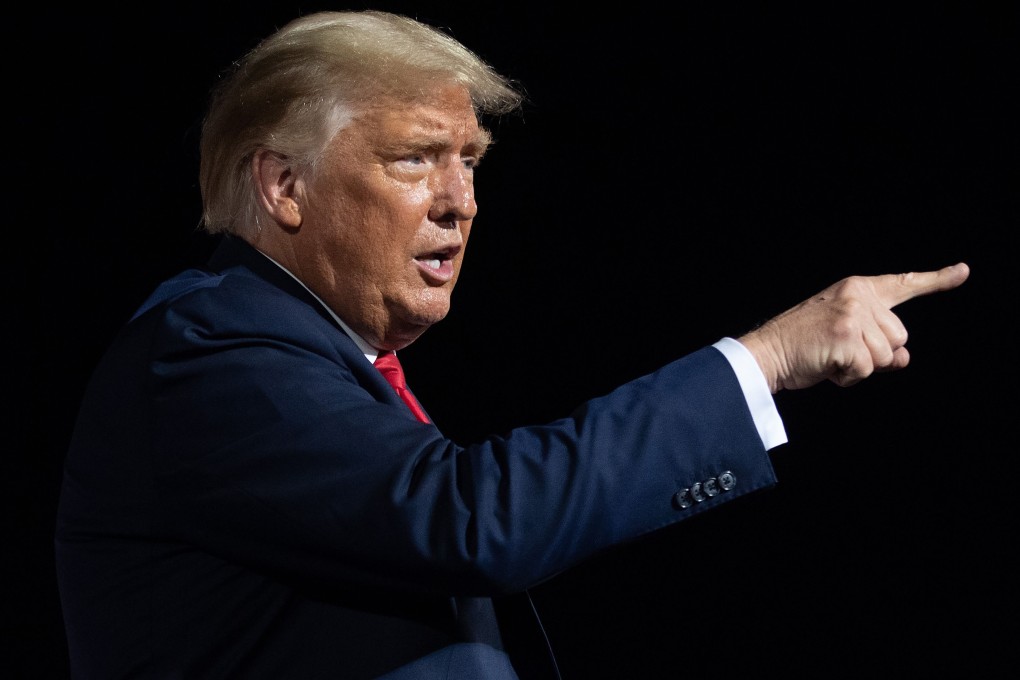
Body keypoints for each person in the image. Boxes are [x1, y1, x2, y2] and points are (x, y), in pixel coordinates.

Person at [54, 9, 970, 680]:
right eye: (416, 157)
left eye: (471, 162)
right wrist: (763, 362)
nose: (461, 201)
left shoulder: (321, 362)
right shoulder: (207, 348)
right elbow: (472, 519)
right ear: (284, 185)